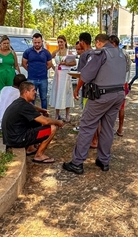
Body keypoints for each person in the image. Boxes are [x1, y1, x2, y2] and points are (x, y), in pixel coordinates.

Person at [63, 34, 127, 174]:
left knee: (87, 126)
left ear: (98, 43)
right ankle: (104, 160)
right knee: (108, 128)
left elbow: (85, 75)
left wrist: (79, 88)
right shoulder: (121, 54)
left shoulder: (100, 53)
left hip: (102, 96)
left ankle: (77, 163)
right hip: (118, 95)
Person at [2, 81, 65, 164]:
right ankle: (39, 155)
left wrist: (42, 110)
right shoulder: (24, 106)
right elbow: (46, 121)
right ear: (26, 92)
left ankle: (30, 148)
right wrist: (58, 122)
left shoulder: (19, 102)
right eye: (33, 90)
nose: (35, 92)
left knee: (35, 121)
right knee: (52, 128)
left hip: (10, 138)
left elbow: (32, 106)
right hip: (17, 140)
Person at [22, 33, 52, 110]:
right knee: (31, 98)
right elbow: (24, 63)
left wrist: (42, 70)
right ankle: (31, 115)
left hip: (43, 79)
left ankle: (44, 114)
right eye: (35, 42)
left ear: (42, 41)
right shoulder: (27, 52)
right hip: (31, 79)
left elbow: (49, 64)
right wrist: (31, 70)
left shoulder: (46, 52)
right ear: (32, 42)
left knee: (44, 98)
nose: (37, 44)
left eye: (39, 42)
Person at [49, 35, 76, 122]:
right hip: (58, 75)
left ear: (65, 42)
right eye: (58, 42)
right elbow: (50, 57)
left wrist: (66, 64)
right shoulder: (56, 52)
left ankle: (67, 114)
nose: (60, 43)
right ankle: (57, 113)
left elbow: (74, 63)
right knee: (58, 93)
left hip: (66, 74)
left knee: (66, 93)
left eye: (61, 41)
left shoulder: (69, 52)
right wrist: (54, 67)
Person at [109, 35, 131, 137]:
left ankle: (110, 128)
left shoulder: (114, 55)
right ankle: (120, 128)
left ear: (113, 43)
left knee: (111, 107)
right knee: (121, 107)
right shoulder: (125, 54)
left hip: (114, 83)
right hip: (124, 83)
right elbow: (128, 69)